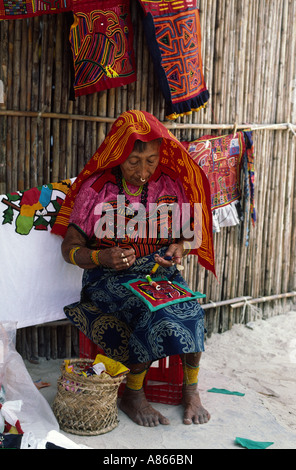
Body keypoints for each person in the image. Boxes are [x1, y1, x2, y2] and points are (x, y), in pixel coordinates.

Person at [52, 110, 215, 427]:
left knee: (191, 307)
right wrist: (101, 258)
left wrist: (177, 247)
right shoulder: (97, 190)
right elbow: (68, 249)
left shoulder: (170, 185)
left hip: (159, 274)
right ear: (118, 154)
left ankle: (191, 392)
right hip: (108, 278)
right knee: (148, 311)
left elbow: (184, 233)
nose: (143, 171)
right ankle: (133, 395)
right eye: (134, 161)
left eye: (151, 160)